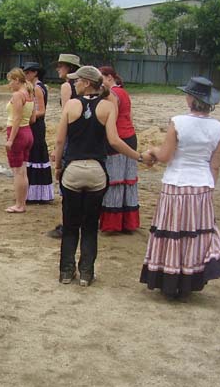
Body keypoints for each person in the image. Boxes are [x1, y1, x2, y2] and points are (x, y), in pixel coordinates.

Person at [53, 66, 152, 287]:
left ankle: (66, 271)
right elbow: (115, 141)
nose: (75, 83)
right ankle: (87, 273)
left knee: (70, 225)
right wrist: (138, 157)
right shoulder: (108, 106)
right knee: (90, 225)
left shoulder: (71, 105)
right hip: (97, 171)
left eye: (77, 80)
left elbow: (60, 141)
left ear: (87, 83)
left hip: (74, 170)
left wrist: (58, 167)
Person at [141, 77, 220, 299]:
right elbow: (216, 164)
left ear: (191, 98)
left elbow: (165, 156)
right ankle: (189, 281)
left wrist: (152, 151)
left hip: (176, 183)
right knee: (194, 234)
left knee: (172, 232)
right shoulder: (219, 128)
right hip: (201, 185)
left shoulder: (178, 122)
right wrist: (210, 188)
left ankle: (169, 279)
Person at [98, 66, 140, 233]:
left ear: (109, 78)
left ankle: (113, 223)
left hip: (117, 139)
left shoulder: (112, 94)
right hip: (130, 138)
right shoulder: (123, 92)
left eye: (101, 78)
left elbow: (111, 118)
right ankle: (128, 222)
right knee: (128, 180)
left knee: (114, 180)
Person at [47, 53, 82, 238]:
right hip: (85, 136)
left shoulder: (67, 86)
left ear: (69, 68)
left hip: (71, 137)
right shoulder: (86, 87)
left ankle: (68, 224)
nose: (58, 69)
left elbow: (66, 117)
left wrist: (57, 147)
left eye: (60, 66)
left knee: (67, 180)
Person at [4, 67, 34, 213]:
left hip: (18, 134)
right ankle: (22, 203)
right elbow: (32, 118)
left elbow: (16, 118)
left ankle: (19, 204)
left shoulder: (17, 95)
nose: (9, 84)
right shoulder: (29, 94)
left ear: (16, 80)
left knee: (18, 171)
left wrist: (10, 139)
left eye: (10, 81)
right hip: (28, 132)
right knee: (23, 170)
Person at [23, 62, 53, 204]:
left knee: (36, 156)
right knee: (34, 156)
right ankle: (33, 192)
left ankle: (36, 193)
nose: (25, 75)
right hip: (34, 123)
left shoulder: (38, 88)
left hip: (36, 125)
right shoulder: (34, 87)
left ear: (35, 73)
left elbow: (42, 110)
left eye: (28, 72)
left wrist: (29, 117)